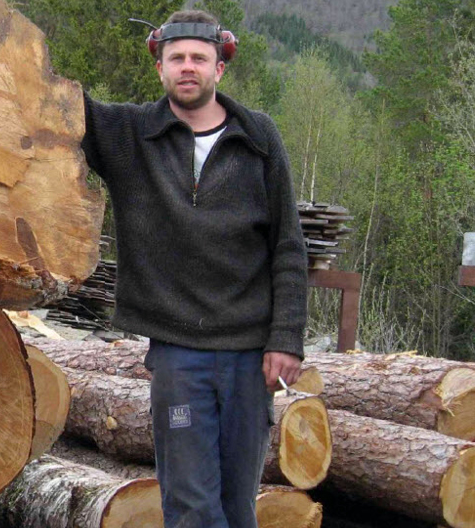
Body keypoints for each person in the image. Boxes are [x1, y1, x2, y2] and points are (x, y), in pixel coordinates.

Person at [79, 9, 308, 528]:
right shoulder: (131, 134)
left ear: (219, 69)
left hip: (249, 357)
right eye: (176, 58)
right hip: (179, 357)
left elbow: (288, 247)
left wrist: (286, 337)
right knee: (190, 505)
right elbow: (55, 104)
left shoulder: (258, 136)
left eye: (198, 58)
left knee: (236, 505)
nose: (187, 67)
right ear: (159, 68)